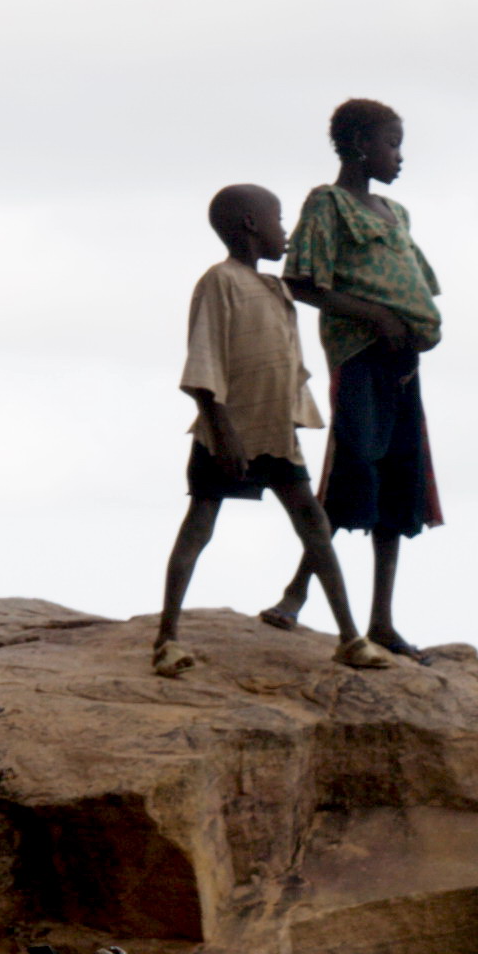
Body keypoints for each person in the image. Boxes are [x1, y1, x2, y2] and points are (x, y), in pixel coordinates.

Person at [158, 182, 386, 675]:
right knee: (199, 526)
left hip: (275, 431)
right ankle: (167, 640)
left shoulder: (275, 287)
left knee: (314, 526)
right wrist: (223, 430)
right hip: (228, 431)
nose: (285, 231)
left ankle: (350, 637)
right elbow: (204, 361)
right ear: (250, 225)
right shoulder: (219, 282)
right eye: (279, 219)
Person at [262, 97, 440, 657]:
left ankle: (381, 619)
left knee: (398, 477)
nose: (400, 156)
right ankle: (296, 593)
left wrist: (406, 326)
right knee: (353, 467)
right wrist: (376, 315)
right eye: (392, 142)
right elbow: (302, 282)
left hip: (402, 363)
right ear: (360, 144)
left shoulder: (396, 213)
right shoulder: (329, 204)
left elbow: (418, 284)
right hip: (360, 355)